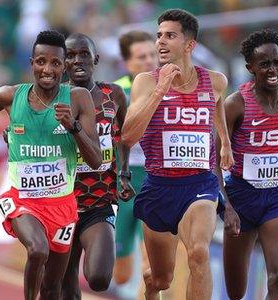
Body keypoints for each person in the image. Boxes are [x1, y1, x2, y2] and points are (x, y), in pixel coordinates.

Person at [0, 30, 103, 300]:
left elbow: (95, 160)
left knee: (53, 287)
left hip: (62, 205)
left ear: (64, 65)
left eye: (55, 63)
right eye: (41, 61)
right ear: (32, 62)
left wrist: (74, 127)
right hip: (23, 200)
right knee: (37, 249)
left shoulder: (78, 98)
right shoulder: (10, 96)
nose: (47, 69)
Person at [121, 9, 233, 300]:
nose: (160, 41)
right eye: (158, 35)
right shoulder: (146, 82)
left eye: (169, 35)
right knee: (161, 278)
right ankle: (150, 288)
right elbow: (129, 136)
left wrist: (225, 143)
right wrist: (160, 91)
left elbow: (217, 103)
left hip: (199, 184)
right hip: (159, 186)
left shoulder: (216, 81)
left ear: (189, 44)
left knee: (198, 254)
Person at [218, 29, 278, 300]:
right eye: (264, 64)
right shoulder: (235, 104)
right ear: (250, 67)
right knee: (236, 292)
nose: (272, 69)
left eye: (277, 62)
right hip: (241, 197)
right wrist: (227, 206)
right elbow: (213, 159)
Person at [59, 33, 134, 298]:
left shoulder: (113, 94)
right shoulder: (52, 98)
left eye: (84, 55)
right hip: (60, 202)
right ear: (62, 61)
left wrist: (124, 174)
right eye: (70, 55)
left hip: (98, 201)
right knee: (65, 285)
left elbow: (124, 136)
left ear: (96, 59)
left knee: (99, 278)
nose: (77, 61)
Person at [113, 30, 157, 286]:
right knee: (121, 275)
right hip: (124, 185)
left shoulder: (169, 88)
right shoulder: (116, 92)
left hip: (156, 182)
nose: (150, 61)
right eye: (142, 57)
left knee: (151, 266)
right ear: (128, 63)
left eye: (153, 54)